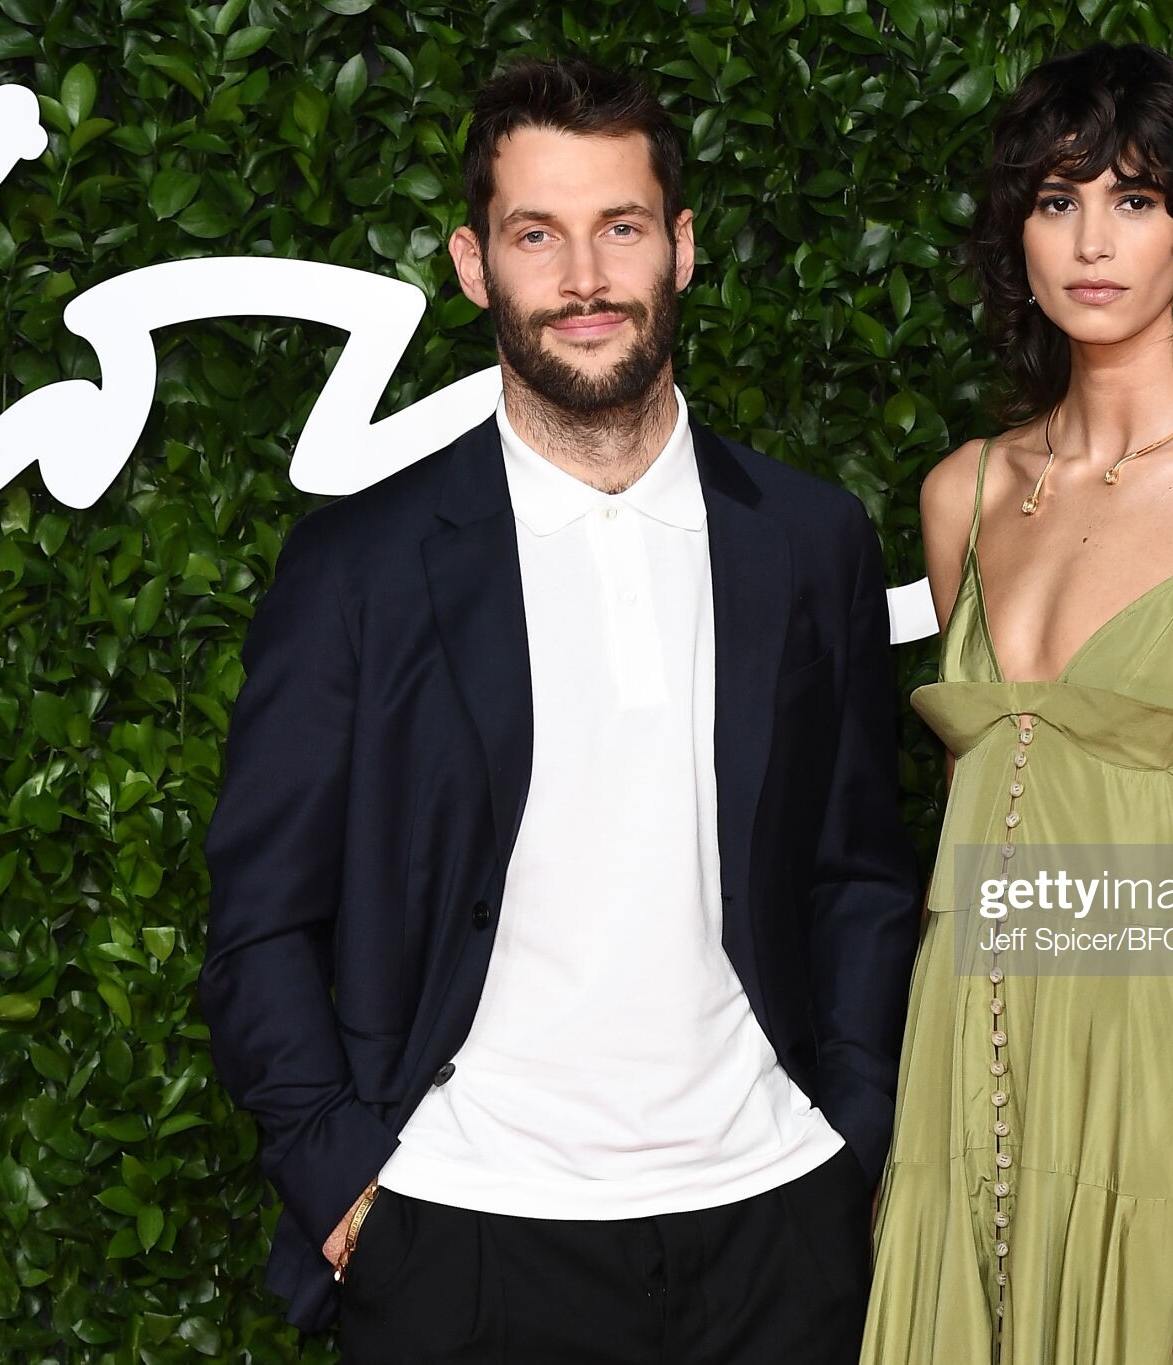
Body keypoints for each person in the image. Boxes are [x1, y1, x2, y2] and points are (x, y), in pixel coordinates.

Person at [198, 57, 918, 1363]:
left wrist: (849, 1136)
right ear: (474, 264)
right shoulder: (361, 568)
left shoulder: (810, 540)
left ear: (681, 247)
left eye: (620, 227)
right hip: (461, 1236)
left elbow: (857, 869)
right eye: (537, 234)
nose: (585, 277)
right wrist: (344, 1183)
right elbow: (260, 922)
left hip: (771, 1225)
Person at [860, 43, 1173, 1365]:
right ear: (1016, 234)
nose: (1092, 241)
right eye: (1057, 200)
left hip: (1151, 1078)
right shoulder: (962, 495)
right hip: (958, 1072)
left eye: (1134, 200)